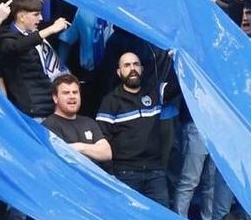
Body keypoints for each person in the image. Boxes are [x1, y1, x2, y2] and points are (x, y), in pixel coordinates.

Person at [96, 50, 171, 206]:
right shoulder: (110, 101)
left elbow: (179, 86)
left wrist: (177, 58)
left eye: (136, 64)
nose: (132, 69)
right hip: (125, 174)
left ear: (142, 69)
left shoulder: (154, 93)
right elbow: (102, 140)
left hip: (155, 172)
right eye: (127, 65)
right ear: (119, 72)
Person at [42, 73, 111, 166]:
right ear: (55, 98)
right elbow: (58, 157)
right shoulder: (48, 125)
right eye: (66, 93)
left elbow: (106, 153)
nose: (72, 96)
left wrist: (79, 147)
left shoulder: (89, 122)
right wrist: (93, 149)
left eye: (75, 92)